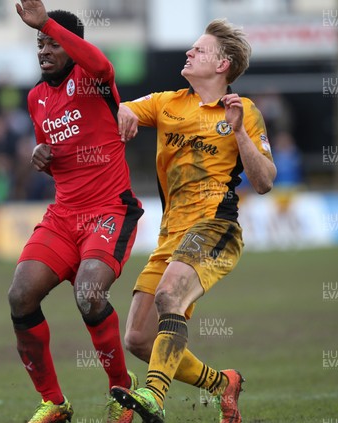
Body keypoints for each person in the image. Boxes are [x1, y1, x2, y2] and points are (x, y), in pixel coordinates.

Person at [110, 19, 276, 423]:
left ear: (223, 65)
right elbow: (123, 107)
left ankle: (153, 395)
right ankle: (224, 383)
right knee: (137, 339)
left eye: (199, 50)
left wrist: (239, 133)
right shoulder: (169, 102)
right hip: (171, 235)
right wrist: (125, 111)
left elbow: (265, 181)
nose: (189, 53)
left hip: (215, 229)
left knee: (170, 296)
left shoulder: (243, 111)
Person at [8, 1, 144, 422]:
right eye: (38, 43)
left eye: (51, 43)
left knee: (89, 293)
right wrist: (41, 156)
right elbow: (54, 154)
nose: (43, 50)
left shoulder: (94, 79)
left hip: (109, 209)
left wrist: (46, 21)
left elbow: (100, 61)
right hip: (64, 215)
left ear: (71, 45)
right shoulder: (35, 98)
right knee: (20, 294)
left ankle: (121, 391)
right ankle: (54, 402)